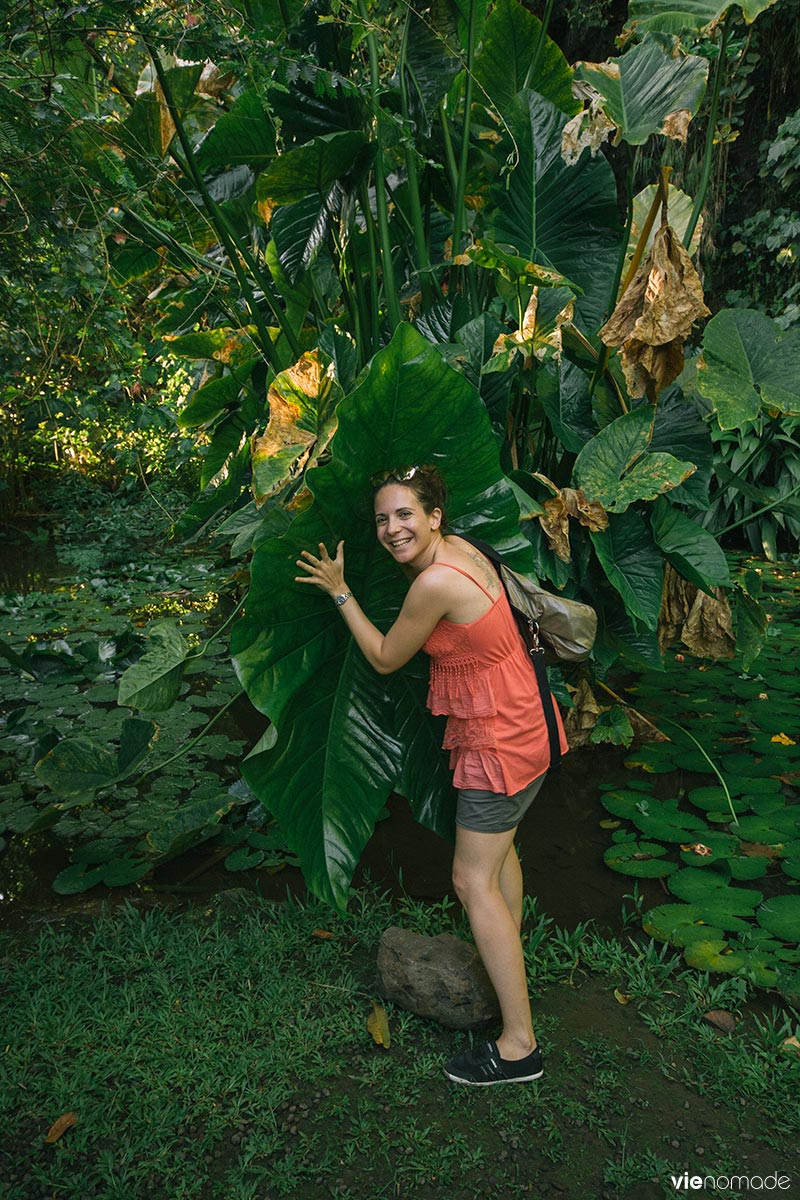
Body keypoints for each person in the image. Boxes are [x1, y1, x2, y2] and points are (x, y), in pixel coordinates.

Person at [295, 464, 567, 1086]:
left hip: (498, 741)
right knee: (500, 861)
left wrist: (340, 590)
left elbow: (387, 658)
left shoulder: (434, 584)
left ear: (434, 516)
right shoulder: (467, 548)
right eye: (383, 519)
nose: (392, 530)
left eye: (405, 515)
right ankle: (507, 972)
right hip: (530, 725)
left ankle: (521, 1047)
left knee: (471, 881)